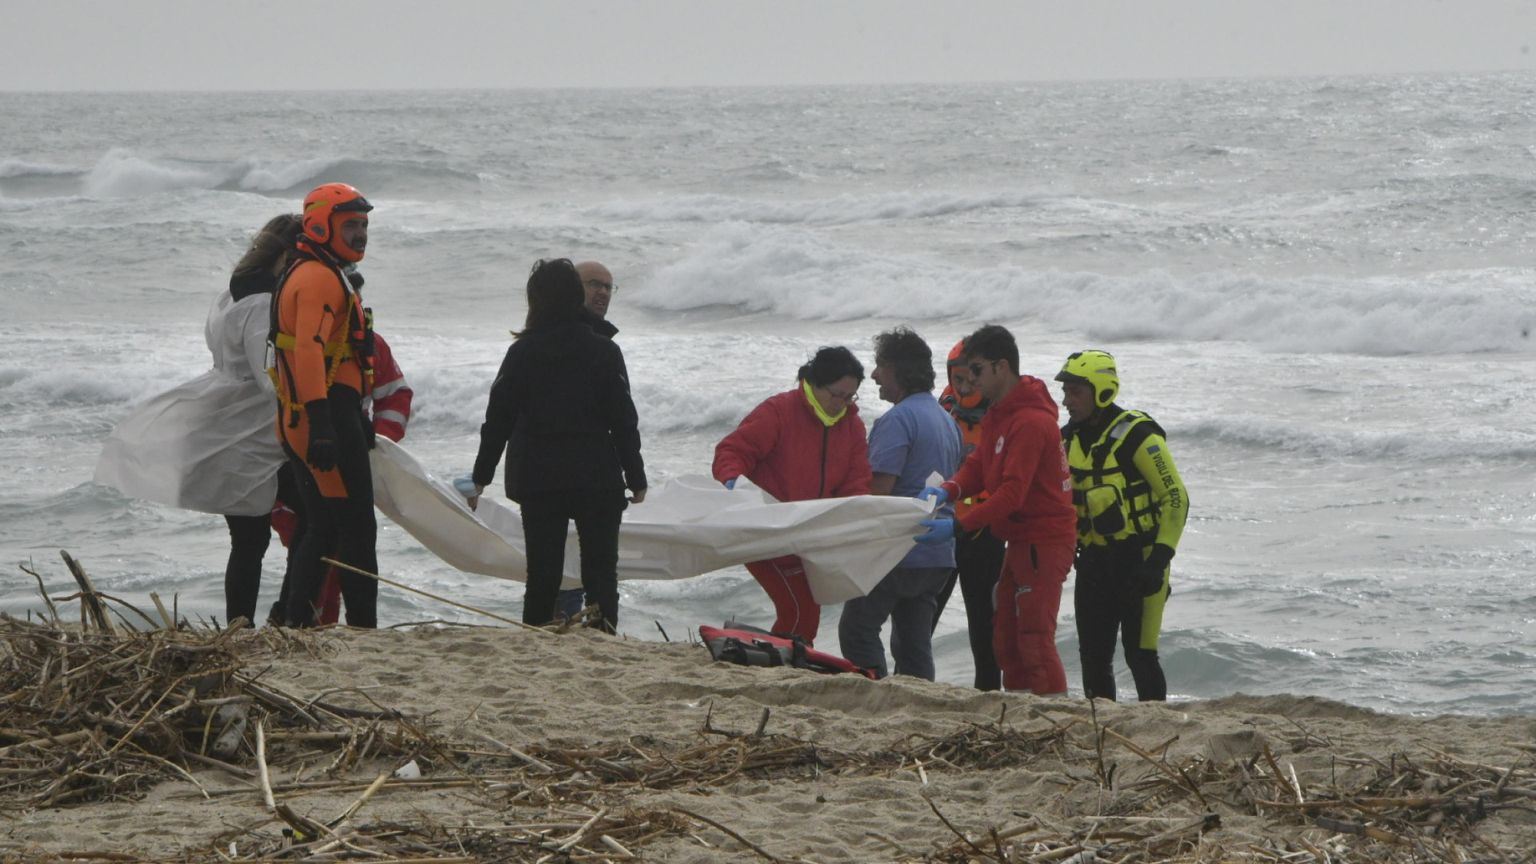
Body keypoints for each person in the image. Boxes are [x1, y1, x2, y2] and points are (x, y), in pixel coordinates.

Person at [94, 213, 303, 626]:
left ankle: (242, 626)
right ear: (286, 254)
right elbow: (268, 379)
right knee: (307, 520)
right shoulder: (263, 302)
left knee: (249, 539)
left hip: (227, 423)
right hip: (251, 432)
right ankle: (281, 615)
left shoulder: (231, 295)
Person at [468, 258, 647, 633]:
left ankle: (536, 640)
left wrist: (480, 476)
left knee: (542, 575)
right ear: (575, 297)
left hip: (539, 480)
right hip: (595, 477)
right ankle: (603, 638)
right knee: (601, 574)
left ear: (536, 300)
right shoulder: (603, 351)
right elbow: (623, 420)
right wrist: (636, 476)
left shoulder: (522, 353)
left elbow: (497, 419)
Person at [915, 325, 1076, 695]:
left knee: (1034, 638)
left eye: (977, 370)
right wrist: (950, 489)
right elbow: (982, 464)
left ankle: (1054, 712)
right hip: (1017, 540)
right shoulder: (1000, 413)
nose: (970, 382)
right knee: (1004, 639)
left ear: (1001, 367)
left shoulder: (1032, 422)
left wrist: (957, 527)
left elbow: (1012, 494)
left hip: (1044, 540)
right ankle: (1021, 709)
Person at [269, 182, 381, 628]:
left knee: (325, 526)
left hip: (315, 415)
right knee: (356, 530)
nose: (361, 234)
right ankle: (363, 631)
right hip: (322, 415)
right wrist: (325, 425)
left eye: (364, 225)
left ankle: (295, 621)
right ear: (319, 225)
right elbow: (310, 351)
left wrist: (353, 414)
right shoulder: (317, 278)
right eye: (350, 225)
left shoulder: (315, 270)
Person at [712, 346, 872, 644]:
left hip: (809, 536)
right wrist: (733, 482)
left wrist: (854, 519)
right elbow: (732, 451)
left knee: (805, 611)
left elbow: (856, 482)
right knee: (800, 609)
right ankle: (784, 665)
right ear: (814, 383)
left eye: (849, 397)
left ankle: (770, 654)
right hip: (764, 531)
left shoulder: (852, 426)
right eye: (835, 394)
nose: (841, 404)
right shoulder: (779, 411)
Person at [1056, 349, 1189, 702]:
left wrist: (1157, 562)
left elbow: (1176, 498)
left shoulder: (1138, 436)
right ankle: (1103, 732)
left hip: (1141, 563)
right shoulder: (1067, 439)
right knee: (1093, 659)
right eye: (1065, 392)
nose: (1067, 401)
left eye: (1075, 392)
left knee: (1141, 656)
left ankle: (1155, 729)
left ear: (1102, 390)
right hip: (1095, 564)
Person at [837, 328, 963, 680]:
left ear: (899, 369)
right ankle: (918, 701)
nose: (874, 375)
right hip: (937, 553)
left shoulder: (898, 419)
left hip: (898, 552)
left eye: (880, 366)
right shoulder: (946, 420)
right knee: (913, 643)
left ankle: (873, 695)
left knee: (857, 631)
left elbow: (879, 495)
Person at [270, 323, 413, 625]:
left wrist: (376, 441)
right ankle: (304, 625)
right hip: (294, 467)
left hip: (348, 460)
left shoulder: (370, 344)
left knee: (339, 547)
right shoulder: (295, 345)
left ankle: (333, 629)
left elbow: (396, 395)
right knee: (317, 544)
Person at [930, 339, 1007, 690]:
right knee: (921, 621)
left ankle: (988, 696)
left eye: (971, 380)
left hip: (985, 533)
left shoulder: (1008, 415)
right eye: (957, 379)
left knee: (985, 626)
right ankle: (912, 686)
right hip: (943, 530)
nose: (963, 388)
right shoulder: (940, 409)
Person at [553, 260, 622, 619]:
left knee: (592, 569)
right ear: (571, 288)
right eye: (594, 284)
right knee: (573, 568)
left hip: (586, 470)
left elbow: (621, 416)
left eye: (609, 287)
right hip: (561, 471)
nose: (602, 293)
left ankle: (579, 625)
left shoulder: (602, 341)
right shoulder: (553, 339)